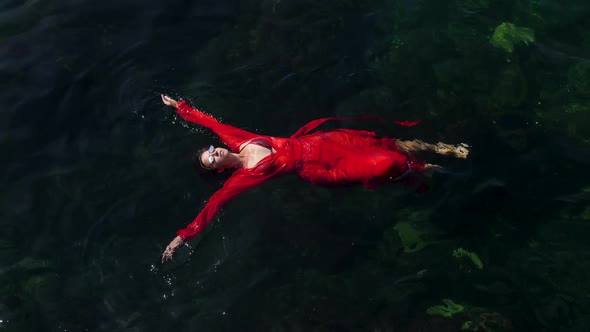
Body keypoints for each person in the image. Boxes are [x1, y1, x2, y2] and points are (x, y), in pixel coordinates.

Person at [160, 94, 469, 262]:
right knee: (385, 163)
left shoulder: (238, 140)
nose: (215, 153)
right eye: (211, 160)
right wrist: (182, 236)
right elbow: (213, 205)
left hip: (324, 142)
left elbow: (211, 122)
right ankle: (426, 172)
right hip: (322, 169)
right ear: (218, 170)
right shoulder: (243, 177)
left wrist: (181, 108)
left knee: (386, 144)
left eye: (212, 151)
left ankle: (445, 150)